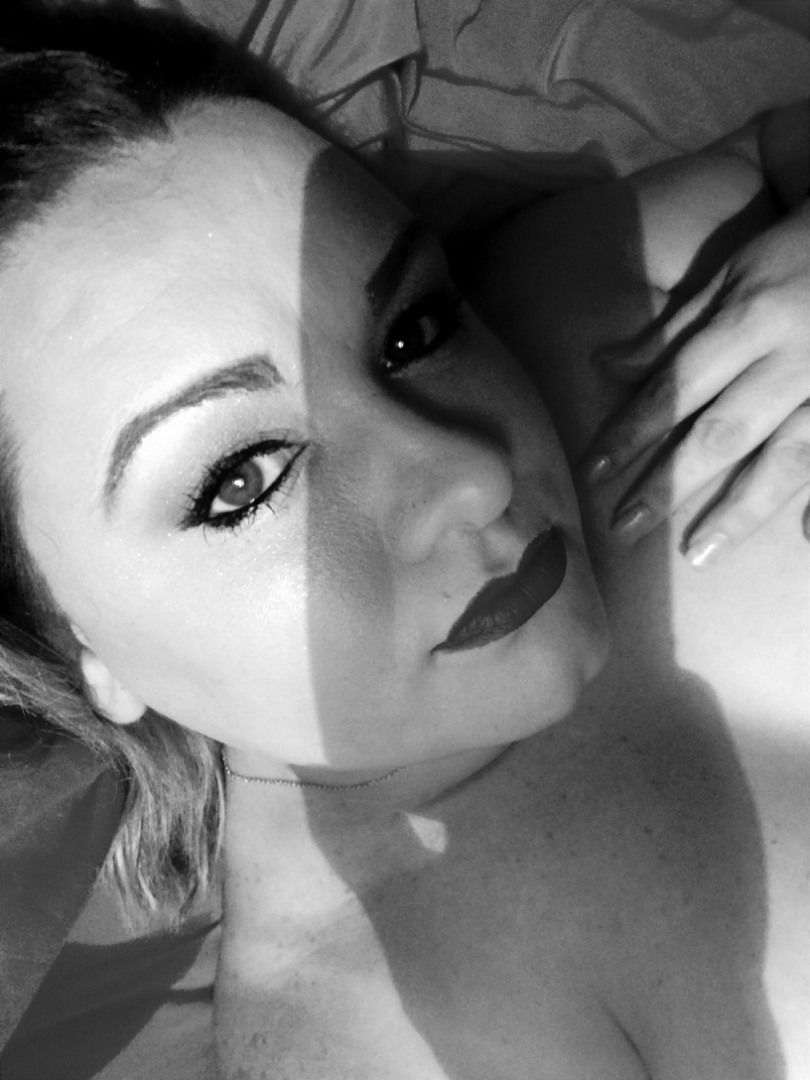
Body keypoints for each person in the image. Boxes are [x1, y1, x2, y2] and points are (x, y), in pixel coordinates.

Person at [0, 4, 806, 1078]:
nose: (472, 476)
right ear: (71, 648)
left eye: (411, 330)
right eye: (242, 481)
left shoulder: (609, 312)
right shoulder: (372, 1033)